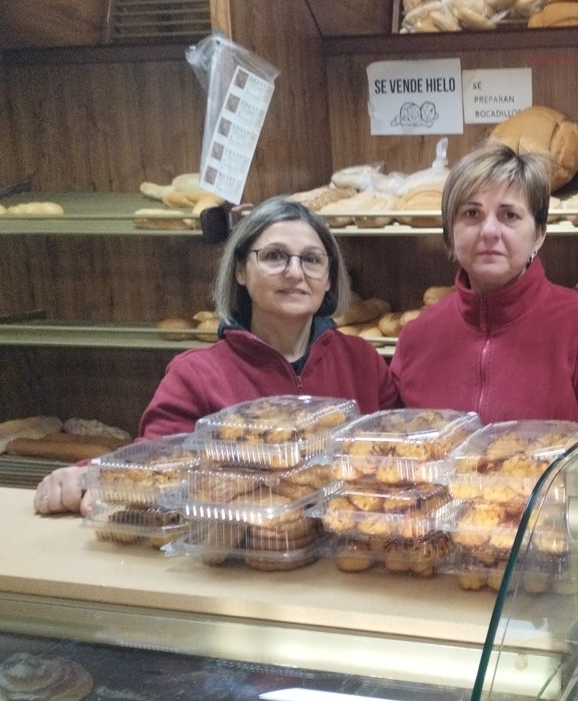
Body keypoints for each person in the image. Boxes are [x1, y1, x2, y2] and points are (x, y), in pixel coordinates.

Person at [390, 140, 578, 658]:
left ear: (538, 234)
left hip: (558, 591)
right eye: (471, 214)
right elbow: (403, 479)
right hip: (442, 589)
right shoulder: (418, 337)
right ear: (450, 233)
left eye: (509, 214)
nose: (488, 229)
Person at [33, 196, 400, 515]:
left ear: (329, 279)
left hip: (345, 554)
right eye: (274, 256)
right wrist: (87, 473)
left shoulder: (362, 361)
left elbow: (396, 452)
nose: (294, 272)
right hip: (236, 557)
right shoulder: (196, 373)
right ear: (240, 270)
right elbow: (156, 456)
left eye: (311, 260)